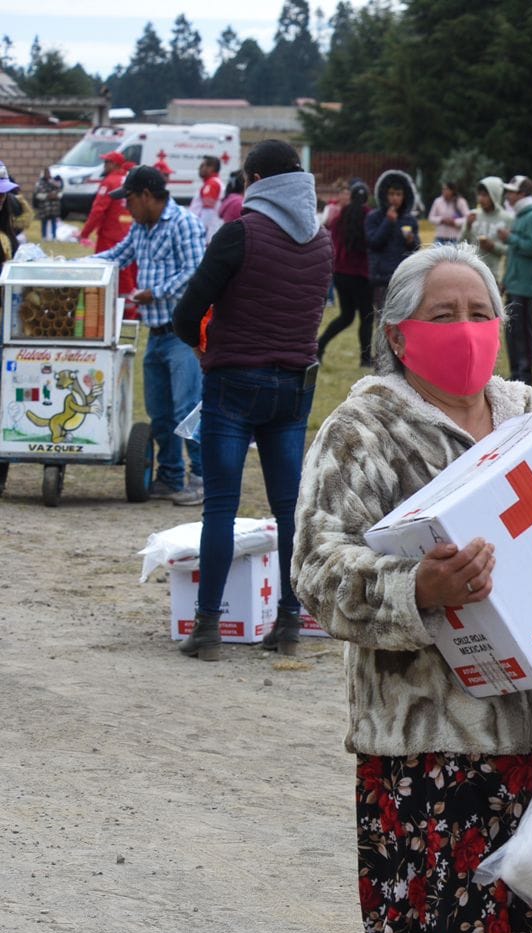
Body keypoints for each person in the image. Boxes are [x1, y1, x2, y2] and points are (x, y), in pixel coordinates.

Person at [292, 243, 532, 933]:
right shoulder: (359, 430)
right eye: (444, 315)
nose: (467, 330)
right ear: (399, 333)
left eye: (481, 313)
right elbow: (316, 570)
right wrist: (418, 588)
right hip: (438, 743)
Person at [170, 140, 332, 660]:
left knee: (221, 505)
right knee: (290, 509)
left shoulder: (239, 233)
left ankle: (209, 628)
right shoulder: (323, 242)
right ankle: (288, 624)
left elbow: (186, 312)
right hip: (295, 386)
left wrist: (203, 348)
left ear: (256, 177)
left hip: (234, 381)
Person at [94, 165, 208, 505]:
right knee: (159, 411)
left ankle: (201, 478)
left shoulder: (183, 223)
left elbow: (196, 271)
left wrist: (154, 292)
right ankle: (170, 476)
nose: (125, 207)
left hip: (182, 335)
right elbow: (117, 256)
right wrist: (71, 266)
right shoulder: (141, 229)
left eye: (127, 199)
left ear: (146, 195)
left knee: (187, 408)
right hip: (155, 333)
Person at [317, 178, 373, 364]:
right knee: (366, 317)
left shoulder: (341, 216)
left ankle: (320, 345)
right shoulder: (369, 216)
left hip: (341, 273)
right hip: (361, 275)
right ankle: (365, 359)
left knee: (346, 316)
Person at [500, 177, 532, 385]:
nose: (508, 195)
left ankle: (525, 374)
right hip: (515, 282)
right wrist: (506, 280)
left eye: (511, 191)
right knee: (512, 330)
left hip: (525, 285)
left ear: (523, 194)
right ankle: (516, 372)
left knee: (523, 331)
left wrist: (510, 238)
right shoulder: (520, 216)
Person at [80, 151, 138, 301]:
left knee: (103, 271)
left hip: (109, 235)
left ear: (115, 164)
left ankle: (108, 304)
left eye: (107, 162)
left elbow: (98, 210)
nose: (104, 165)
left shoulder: (109, 182)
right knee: (127, 274)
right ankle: (131, 308)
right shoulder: (127, 179)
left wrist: (85, 233)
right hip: (127, 233)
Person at [365, 169, 421, 321]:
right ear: (384, 195)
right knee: (382, 321)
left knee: (403, 320)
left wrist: (412, 241)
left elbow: (416, 250)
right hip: (381, 277)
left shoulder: (410, 220)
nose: (394, 198)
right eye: (391, 194)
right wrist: (388, 222)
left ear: (405, 196)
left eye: (398, 194)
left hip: (402, 277)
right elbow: (374, 243)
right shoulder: (374, 217)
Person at [190, 155, 224, 239]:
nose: (199, 168)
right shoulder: (213, 182)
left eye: (202, 165)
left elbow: (208, 212)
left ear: (211, 168)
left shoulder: (212, 184)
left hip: (206, 233)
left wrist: (199, 232)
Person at [428, 180, 469, 245]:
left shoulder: (461, 202)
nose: (444, 191)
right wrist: (441, 220)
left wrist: (454, 222)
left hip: (455, 238)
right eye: (443, 189)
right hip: (439, 238)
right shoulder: (437, 201)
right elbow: (431, 218)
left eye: (446, 189)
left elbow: (467, 219)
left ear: (452, 191)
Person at [32, 169, 63, 241]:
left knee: (53, 222)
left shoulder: (55, 183)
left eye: (48, 173)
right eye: (46, 173)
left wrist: (56, 195)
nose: (48, 175)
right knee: (44, 222)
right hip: (44, 207)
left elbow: (60, 193)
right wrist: (47, 196)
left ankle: (54, 236)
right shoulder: (40, 183)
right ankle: (44, 236)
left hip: (54, 207)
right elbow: (37, 194)